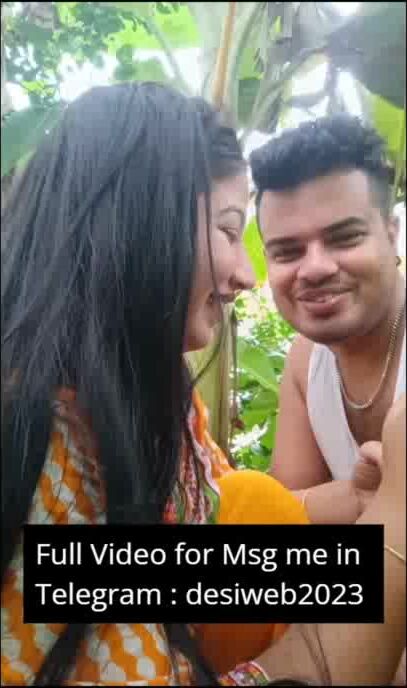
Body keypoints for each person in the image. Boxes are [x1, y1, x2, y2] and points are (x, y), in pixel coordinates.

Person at [1, 83, 405, 686]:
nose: (247, 274)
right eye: (230, 232)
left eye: (344, 237)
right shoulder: (34, 438)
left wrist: (369, 510)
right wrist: (395, 526)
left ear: (392, 234)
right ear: (141, 222)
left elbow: (238, 533)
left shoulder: (147, 391)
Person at [249, 115, 405, 524]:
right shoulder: (306, 360)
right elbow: (283, 514)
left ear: (392, 234)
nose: (315, 268)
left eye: (345, 238)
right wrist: (357, 497)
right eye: (287, 251)